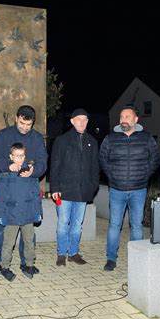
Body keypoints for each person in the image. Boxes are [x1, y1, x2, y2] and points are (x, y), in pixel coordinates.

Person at [99, 105, 159, 271]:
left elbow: (154, 160)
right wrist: (112, 176)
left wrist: (144, 176)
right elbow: (103, 160)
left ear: (135, 119)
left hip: (138, 190)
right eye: (121, 117)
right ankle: (111, 259)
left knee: (137, 226)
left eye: (127, 116)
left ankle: (137, 260)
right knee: (114, 225)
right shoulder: (110, 138)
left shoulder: (147, 138)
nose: (123, 119)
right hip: (117, 189)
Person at [0, 105, 47, 276]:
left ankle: (26, 262)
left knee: (28, 231)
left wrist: (34, 171)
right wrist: (8, 166)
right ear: (16, 118)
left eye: (28, 125)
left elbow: (43, 160)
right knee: (3, 230)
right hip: (8, 191)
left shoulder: (37, 138)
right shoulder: (3, 135)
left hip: (27, 191)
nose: (25, 128)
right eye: (22, 123)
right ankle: (1, 262)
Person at [50, 108, 99, 266]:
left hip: (83, 190)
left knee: (77, 225)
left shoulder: (92, 141)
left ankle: (74, 253)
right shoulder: (62, 140)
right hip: (64, 190)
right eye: (79, 119)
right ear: (72, 121)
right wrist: (55, 187)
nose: (82, 122)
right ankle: (61, 254)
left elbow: (94, 167)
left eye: (85, 120)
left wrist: (93, 186)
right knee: (63, 223)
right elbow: (55, 166)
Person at [0, 143, 42, 281]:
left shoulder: (30, 175)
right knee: (8, 243)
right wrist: (1, 215)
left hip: (27, 214)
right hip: (12, 215)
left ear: (25, 156)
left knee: (29, 241)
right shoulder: (5, 176)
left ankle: (29, 264)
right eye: (16, 156)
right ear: (11, 157)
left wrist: (38, 212)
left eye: (21, 156)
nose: (19, 159)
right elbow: (1, 198)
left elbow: (36, 196)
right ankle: (4, 266)